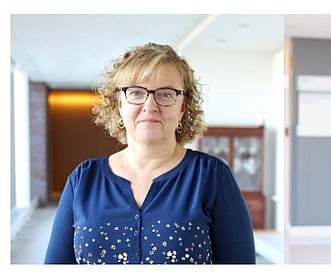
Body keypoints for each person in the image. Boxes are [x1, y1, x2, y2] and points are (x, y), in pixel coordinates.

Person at [44, 43, 256, 264]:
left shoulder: (213, 177)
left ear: (182, 107)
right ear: (119, 104)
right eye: (136, 93)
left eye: (165, 94)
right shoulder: (82, 180)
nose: (150, 105)